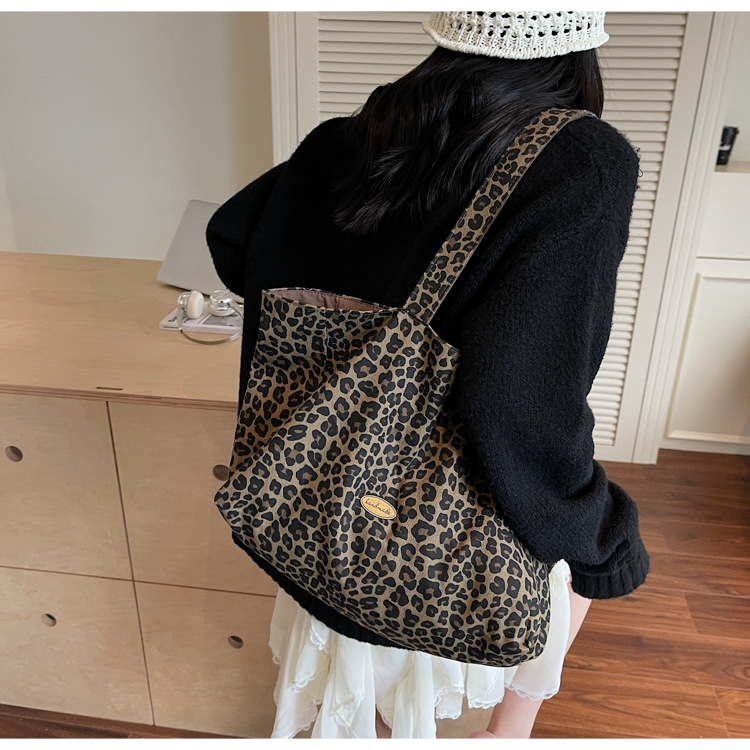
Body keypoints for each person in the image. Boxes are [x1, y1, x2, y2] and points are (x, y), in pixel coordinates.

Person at [206, 10, 650, 740]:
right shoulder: (580, 162)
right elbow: (516, 402)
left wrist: (351, 327)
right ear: (580, 42)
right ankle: (505, 733)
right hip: (432, 551)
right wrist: (596, 534)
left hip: (310, 508)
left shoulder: (346, 138)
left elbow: (231, 238)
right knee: (593, 554)